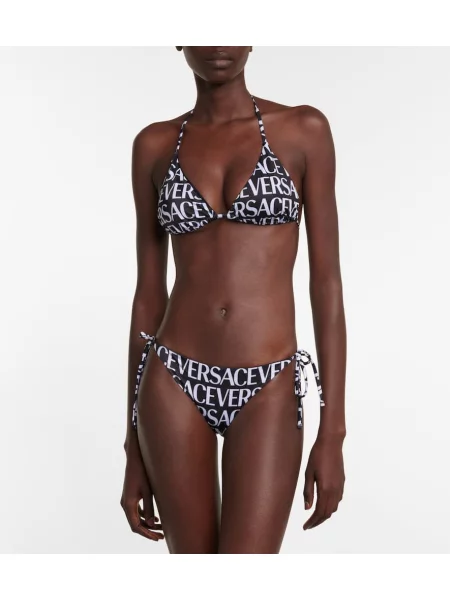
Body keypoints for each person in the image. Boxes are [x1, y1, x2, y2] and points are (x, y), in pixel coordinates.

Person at [120, 46, 346, 554]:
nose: (219, 44)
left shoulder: (303, 130)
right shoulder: (154, 145)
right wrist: (133, 445)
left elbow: (327, 284)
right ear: (178, 39)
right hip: (173, 378)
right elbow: (148, 295)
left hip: (269, 380)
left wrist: (332, 432)